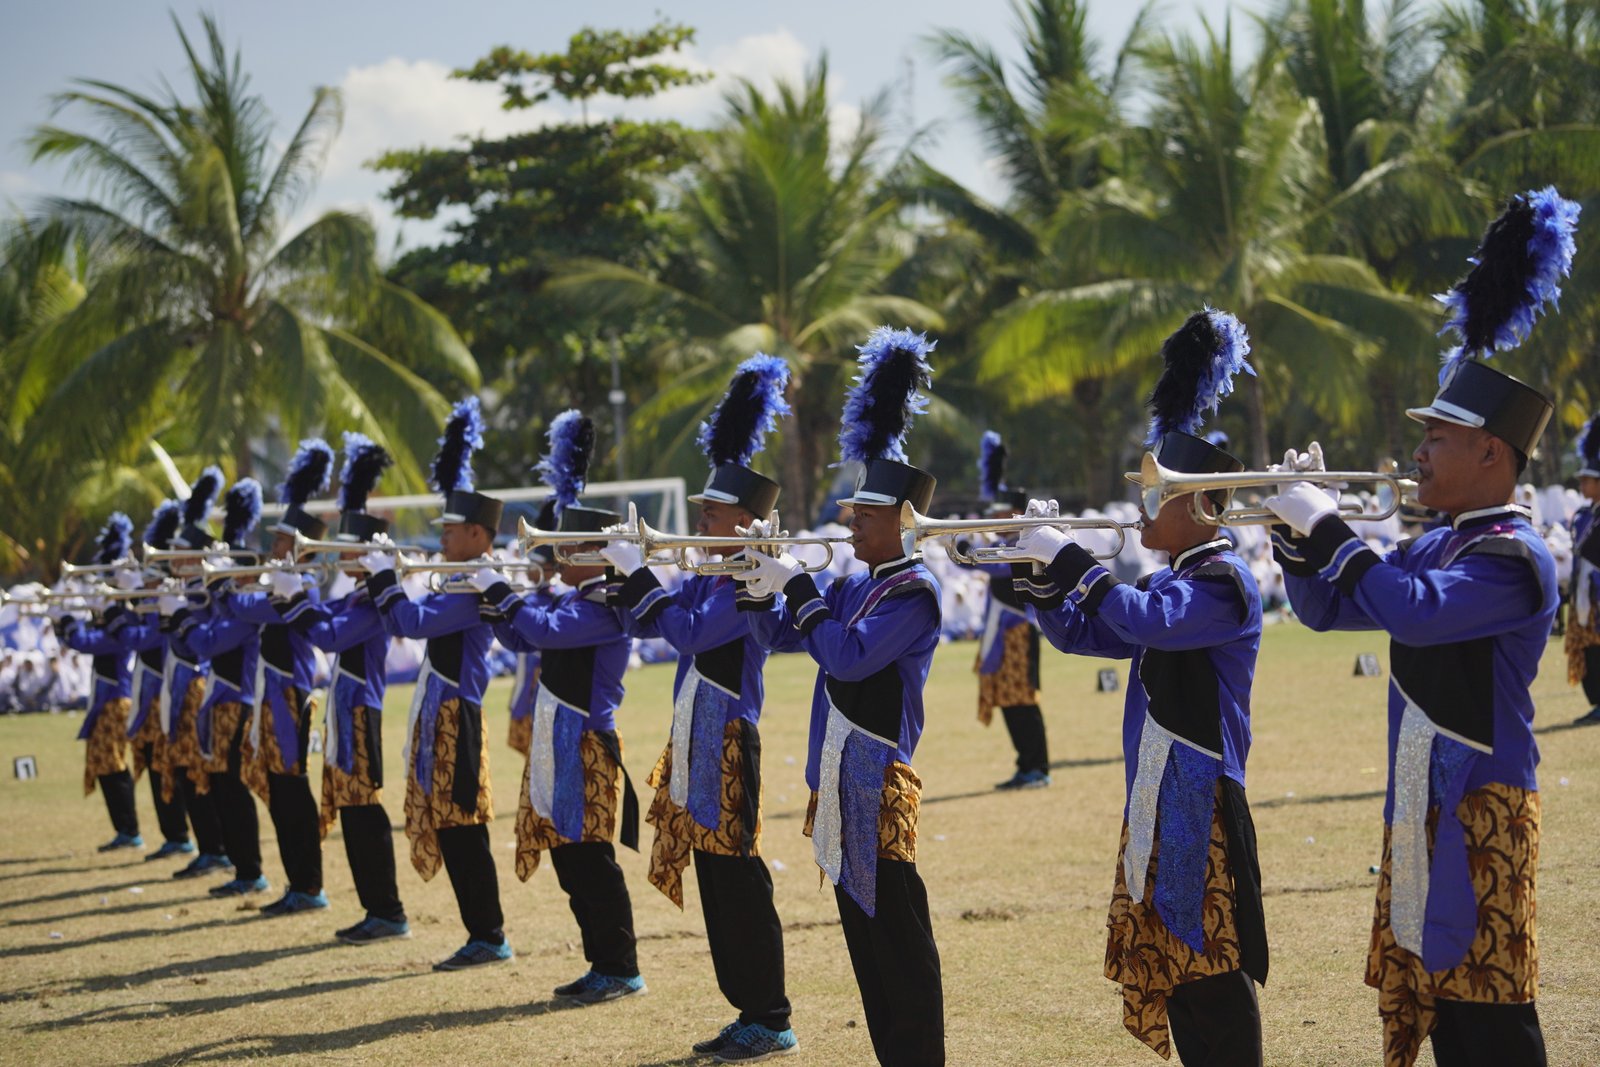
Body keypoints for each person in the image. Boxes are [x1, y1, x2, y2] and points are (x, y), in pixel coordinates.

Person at [1268, 188, 1575, 1067]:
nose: (1418, 453)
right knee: (1447, 1014)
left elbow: (1414, 612)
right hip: (1422, 797)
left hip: (1481, 801)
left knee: (1492, 1014)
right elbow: (1329, 608)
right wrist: (1295, 538)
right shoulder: (1438, 542)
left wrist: (1331, 526)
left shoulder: (1513, 555)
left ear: (1491, 452)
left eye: (1436, 437)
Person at [1016, 310, 1268, 1065]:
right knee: (1178, 972)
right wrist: (1038, 573)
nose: (1140, 507)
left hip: (1203, 797)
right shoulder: (1170, 581)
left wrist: (1073, 560)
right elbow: (1084, 633)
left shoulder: (1223, 582)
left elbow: (1141, 618)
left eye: (1157, 493)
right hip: (1157, 792)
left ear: (1198, 504)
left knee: (1213, 971)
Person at [737, 327, 945, 1067]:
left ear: (902, 521)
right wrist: (758, 585)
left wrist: (796, 584)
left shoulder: (914, 592)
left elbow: (847, 657)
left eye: (865, 513)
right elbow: (789, 635)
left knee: (899, 939)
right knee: (866, 944)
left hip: (879, 780)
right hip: (837, 777)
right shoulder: (859, 583)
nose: (850, 520)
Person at [608, 357, 797, 1060]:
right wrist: (624, 579)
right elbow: (649, 623)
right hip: (697, 735)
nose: (697, 522)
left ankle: (771, 1015)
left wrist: (640, 574)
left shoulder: (744, 583)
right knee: (716, 880)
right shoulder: (708, 576)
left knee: (739, 876)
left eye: (710, 514)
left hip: (729, 739)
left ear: (744, 521)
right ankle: (748, 1008)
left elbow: (686, 634)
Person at [474, 410, 646, 1004]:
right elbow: (524, 638)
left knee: (591, 858)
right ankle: (602, 963)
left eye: (569, 547)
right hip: (558, 739)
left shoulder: (606, 605)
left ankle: (620, 967)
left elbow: (546, 631)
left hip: (588, 744)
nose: (559, 554)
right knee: (570, 860)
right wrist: (495, 606)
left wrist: (501, 590)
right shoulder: (574, 599)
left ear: (598, 553)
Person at [364, 397, 511, 971]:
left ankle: (489, 935)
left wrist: (384, 580)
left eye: (450, 532)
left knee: (464, 829)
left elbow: (411, 622)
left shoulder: (475, 586)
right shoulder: (457, 578)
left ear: (477, 533)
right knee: (451, 829)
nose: (442, 540)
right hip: (438, 710)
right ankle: (480, 932)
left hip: (458, 715)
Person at [273, 433, 409, 943]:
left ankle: (388, 911)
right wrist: (296, 592)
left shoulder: (373, 601)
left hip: (360, 712)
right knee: (353, 813)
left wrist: (296, 599)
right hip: (346, 709)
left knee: (364, 812)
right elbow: (322, 617)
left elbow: (328, 636)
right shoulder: (354, 595)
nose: (340, 553)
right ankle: (377, 908)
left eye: (348, 547)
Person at [212, 440, 334, 916]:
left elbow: (250, 609)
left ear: (300, 549)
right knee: (282, 795)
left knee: (292, 793)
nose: (273, 549)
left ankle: (309, 885)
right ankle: (298, 882)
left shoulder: (300, 588)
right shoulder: (282, 585)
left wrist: (227, 588)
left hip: (289, 699)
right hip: (273, 697)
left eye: (281, 543)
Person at [175, 480, 271, 899]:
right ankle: (237, 864)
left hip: (237, 703)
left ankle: (250, 870)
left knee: (233, 788)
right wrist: (183, 609)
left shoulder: (245, 609)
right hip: (219, 702)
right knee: (220, 787)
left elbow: (210, 643)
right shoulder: (225, 605)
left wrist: (185, 617)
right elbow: (192, 642)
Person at [960, 430, 1049, 789]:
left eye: (998, 513)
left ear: (1013, 513)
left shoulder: (1027, 543)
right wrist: (965, 550)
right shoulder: (1000, 543)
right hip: (1003, 632)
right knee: (1010, 702)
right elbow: (976, 563)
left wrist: (972, 552)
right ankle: (1025, 765)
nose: (993, 518)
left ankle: (1037, 768)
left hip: (1019, 632)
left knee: (1023, 702)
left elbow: (999, 567)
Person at [158, 468, 232, 881]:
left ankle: (214, 848)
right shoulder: (185, 590)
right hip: (180, 683)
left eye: (179, 553)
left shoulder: (203, 592)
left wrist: (180, 614)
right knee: (187, 771)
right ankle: (208, 847)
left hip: (195, 685)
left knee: (197, 770)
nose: (172, 559)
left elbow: (197, 644)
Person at [55, 513, 142, 851]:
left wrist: (69, 618)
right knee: (103, 763)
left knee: (113, 763)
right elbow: (76, 639)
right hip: (106, 698)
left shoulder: (123, 622)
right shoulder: (109, 621)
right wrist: (62, 618)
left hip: (116, 699)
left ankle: (130, 830)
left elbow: (85, 642)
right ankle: (124, 829)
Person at [117, 502, 196, 862]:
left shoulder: (167, 602)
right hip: (153, 693)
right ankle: (173, 833)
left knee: (169, 765)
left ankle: (179, 834)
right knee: (154, 762)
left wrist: (120, 612)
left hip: (167, 691)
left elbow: (144, 639)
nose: (147, 583)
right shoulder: (154, 602)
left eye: (150, 577)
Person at [1564, 411, 1600, 725]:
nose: (1582, 484)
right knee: (1588, 650)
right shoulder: (1586, 514)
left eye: (1588, 480)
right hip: (1585, 593)